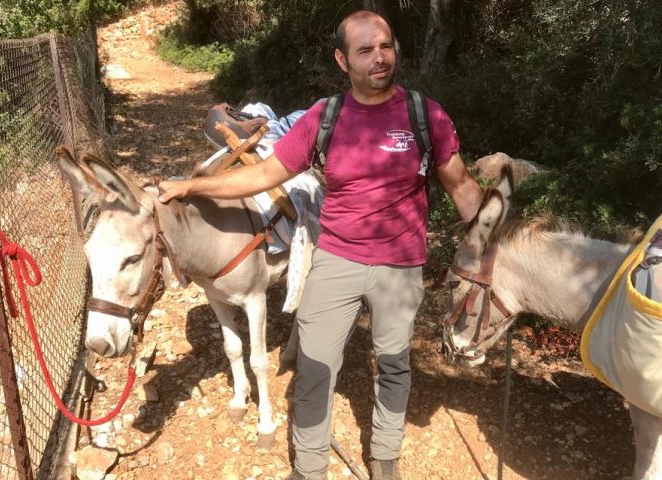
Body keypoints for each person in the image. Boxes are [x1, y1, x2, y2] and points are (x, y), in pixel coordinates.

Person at [158, 10, 482, 480]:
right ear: (342, 59)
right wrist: (192, 188)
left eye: (386, 46)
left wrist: (495, 231)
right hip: (337, 259)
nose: (379, 59)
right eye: (365, 50)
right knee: (314, 368)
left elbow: (461, 185)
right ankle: (309, 468)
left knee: (393, 364)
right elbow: (264, 175)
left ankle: (385, 456)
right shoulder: (324, 118)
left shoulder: (423, 114)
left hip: (401, 265)